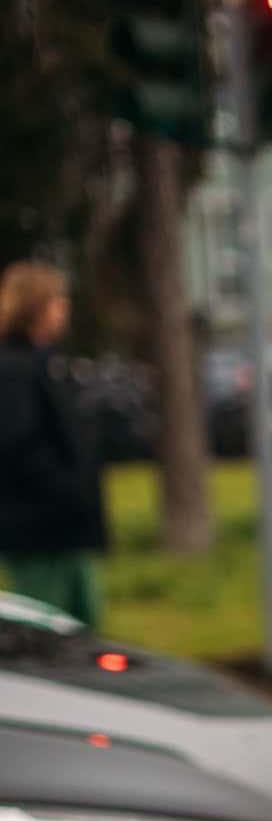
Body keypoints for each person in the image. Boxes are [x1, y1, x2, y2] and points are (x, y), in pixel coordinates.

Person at [0, 261, 106, 624]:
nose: (65, 309)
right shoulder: (16, 369)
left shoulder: (44, 364)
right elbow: (18, 444)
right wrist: (67, 489)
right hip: (40, 531)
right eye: (58, 300)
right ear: (36, 307)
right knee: (47, 632)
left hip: (64, 528)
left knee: (82, 627)